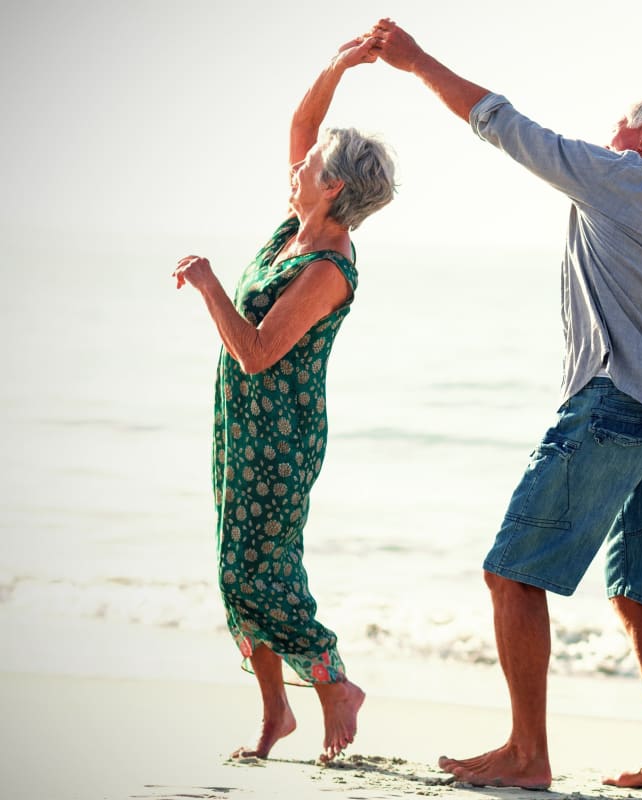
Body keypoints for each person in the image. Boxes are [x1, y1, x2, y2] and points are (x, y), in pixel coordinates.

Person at [369, 18, 642, 794]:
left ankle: (527, 753)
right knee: (641, 597)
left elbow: (504, 125)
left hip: (614, 406)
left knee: (511, 574)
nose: (608, 135)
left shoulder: (621, 176)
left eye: (618, 125)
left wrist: (415, 60)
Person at [172, 35, 395, 763]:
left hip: (280, 432)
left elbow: (259, 352)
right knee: (236, 566)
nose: (296, 164)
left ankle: (333, 681)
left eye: (310, 165)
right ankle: (276, 715)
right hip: (240, 422)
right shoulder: (294, 229)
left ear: (332, 187)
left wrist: (208, 285)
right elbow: (303, 130)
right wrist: (338, 66)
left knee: (254, 571)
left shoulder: (330, 264)